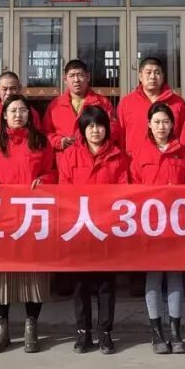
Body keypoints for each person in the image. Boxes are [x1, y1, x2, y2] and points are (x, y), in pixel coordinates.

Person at [0, 94, 56, 353]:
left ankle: (31, 327)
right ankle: (2, 330)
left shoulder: (41, 142)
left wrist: (45, 180)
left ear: (30, 115)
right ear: (4, 115)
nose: (18, 115)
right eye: (13, 110)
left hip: (32, 217)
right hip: (2, 217)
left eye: (23, 110)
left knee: (34, 274)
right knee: (0, 274)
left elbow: (52, 171)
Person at [58, 105, 130, 354]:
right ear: (82, 130)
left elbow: (124, 191)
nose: (95, 130)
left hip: (107, 228)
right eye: (89, 126)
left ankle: (105, 332)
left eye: (99, 125)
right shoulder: (70, 156)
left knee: (106, 285)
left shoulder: (118, 156)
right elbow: (64, 189)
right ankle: (83, 332)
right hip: (80, 227)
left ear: (107, 128)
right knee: (81, 284)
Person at [129, 101, 185, 354]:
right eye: (156, 122)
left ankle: (176, 332)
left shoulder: (182, 151)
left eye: (166, 122)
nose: (161, 127)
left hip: (177, 224)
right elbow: (132, 187)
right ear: (149, 124)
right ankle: (156, 332)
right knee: (154, 278)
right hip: (150, 225)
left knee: (175, 276)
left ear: (172, 124)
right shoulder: (139, 152)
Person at [117, 57, 185, 160]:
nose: (152, 77)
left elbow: (184, 137)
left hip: (169, 162)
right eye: (148, 72)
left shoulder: (177, 103)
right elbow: (120, 137)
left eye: (157, 73)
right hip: (135, 164)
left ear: (162, 76)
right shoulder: (127, 103)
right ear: (140, 76)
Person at [43, 59, 116, 152]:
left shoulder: (102, 102)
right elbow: (45, 133)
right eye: (72, 76)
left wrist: (97, 140)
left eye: (80, 75)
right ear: (65, 79)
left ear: (88, 77)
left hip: (94, 155)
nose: (76, 80)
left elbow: (113, 128)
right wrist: (59, 141)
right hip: (65, 157)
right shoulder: (55, 105)